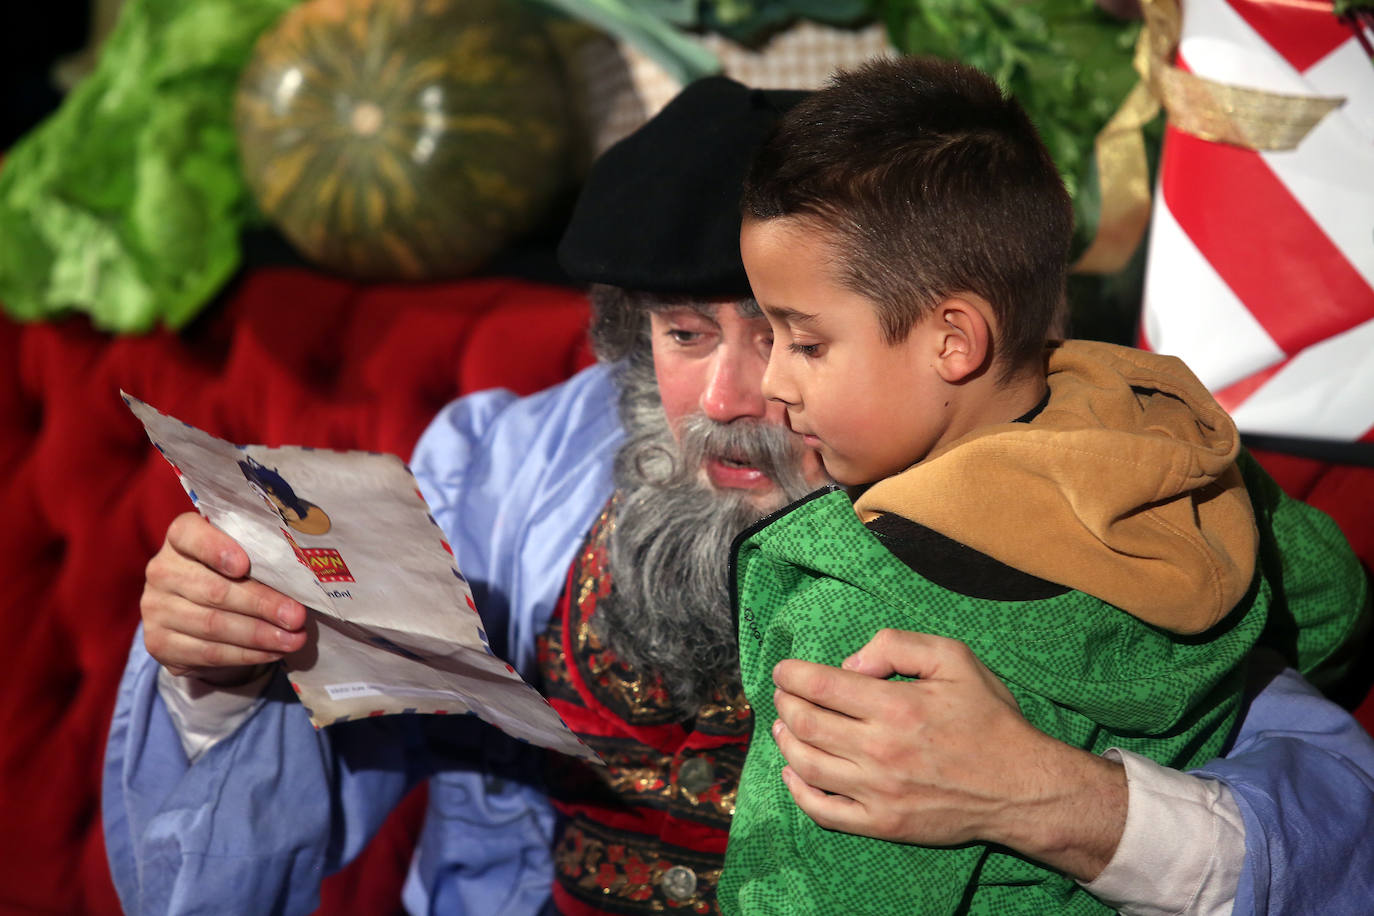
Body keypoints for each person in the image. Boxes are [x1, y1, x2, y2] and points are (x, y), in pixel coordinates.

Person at [103, 76, 1374, 916]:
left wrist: (1054, 796)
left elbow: (1336, 821)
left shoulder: (1057, 495)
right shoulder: (493, 471)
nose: (726, 396)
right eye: (683, 331)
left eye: (787, 337)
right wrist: (217, 676)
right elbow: (217, 879)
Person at [719, 58, 1369, 915]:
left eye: (804, 343)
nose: (771, 383)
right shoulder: (1172, 446)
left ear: (954, 340)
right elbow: (1333, 609)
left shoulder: (856, 616)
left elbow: (796, 890)